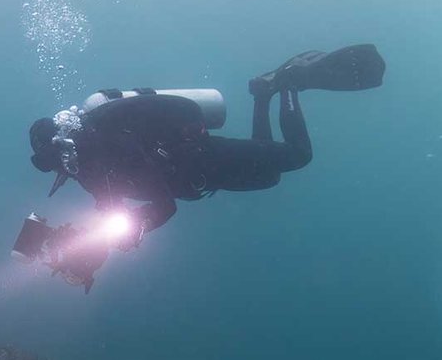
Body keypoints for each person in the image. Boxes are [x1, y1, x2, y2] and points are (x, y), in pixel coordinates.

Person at [25, 45, 384, 288]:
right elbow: (117, 203)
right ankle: (264, 94)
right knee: (270, 175)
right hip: (203, 175)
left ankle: (289, 82)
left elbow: (164, 205)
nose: (61, 169)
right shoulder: (90, 170)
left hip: (208, 159)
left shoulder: (109, 151)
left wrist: (135, 227)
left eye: (54, 160)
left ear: (62, 145)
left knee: (298, 157)